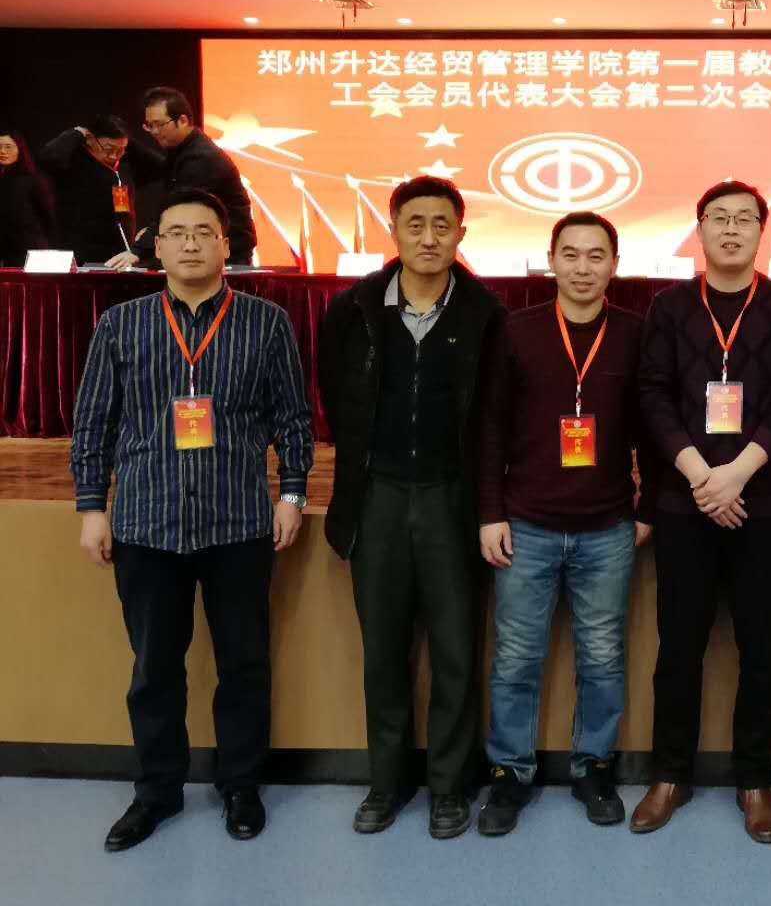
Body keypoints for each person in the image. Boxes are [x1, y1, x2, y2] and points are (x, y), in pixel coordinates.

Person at [69, 187, 313, 852]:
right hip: (146, 523)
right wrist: (91, 506)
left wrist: (292, 494)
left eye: (204, 232)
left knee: (244, 665)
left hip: (239, 523)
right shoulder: (121, 324)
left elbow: (293, 416)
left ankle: (241, 785)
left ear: (225, 244)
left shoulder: (265, 323)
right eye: (176, 233)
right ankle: (157, 792)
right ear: (157, 245)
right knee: (154, 669)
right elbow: (93, 422)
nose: (190, 244)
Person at [317, 176, 505, 840]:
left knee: (456, 650)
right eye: (415, 224)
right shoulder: (355, 307)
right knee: (384, 650)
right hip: (378, 496)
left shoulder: (486, 313)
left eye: (442, 225)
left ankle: (449, 787)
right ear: (393, 229)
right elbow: (334, 393)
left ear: (461, 233)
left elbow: (493, 413)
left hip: (452, 497)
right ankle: (387, 782)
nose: (429, 237)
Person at [630, 180, 771, 844]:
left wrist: (737, 473)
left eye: (744, 219)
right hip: (686, 502)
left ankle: (755, 780)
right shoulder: (670, 307)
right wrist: (700, 475)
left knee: (760, 649)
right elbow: (652, 395)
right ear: (700, 228)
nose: (731, 229)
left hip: (763, 503)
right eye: (719, 218)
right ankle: (669, 775)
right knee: (678, 647)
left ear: (762, 230)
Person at [476, 211, 658, 834]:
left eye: (596, 255)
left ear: (615, 264)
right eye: (571, 255)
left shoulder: (634, 334)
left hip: (607, 526)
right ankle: (509, 774)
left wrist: (647, 509)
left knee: (602, 657)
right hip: (525, 523)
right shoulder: (516, 330)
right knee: (515, 659)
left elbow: (652, 428)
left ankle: (594, 767)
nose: (583, 268)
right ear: (551, 259)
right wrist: (490, 512)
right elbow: (491, 427)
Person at [122, 86, 257, 267]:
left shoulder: (201, 158)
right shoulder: (181, 150)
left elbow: (179, 209)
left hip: (227, 254)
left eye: (159, 124)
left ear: (183, 120)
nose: (154, 131)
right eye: (149, 126)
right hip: (208, 247)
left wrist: (138, 250)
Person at [37, 116, 139, 267]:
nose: (113, 156)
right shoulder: (72, 160)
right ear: (90, 139)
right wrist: (77, 132)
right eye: (108, 149)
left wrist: (124, 139)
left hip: (119, 253)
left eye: (120, 151)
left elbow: (158, 164)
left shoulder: (124, 165)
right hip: (80, 252)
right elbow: (47, 158)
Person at [0, 127, 56, 266]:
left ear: (20, 149)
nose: (3, 151)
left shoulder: (33, 180)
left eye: (8, 147)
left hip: (29, 252)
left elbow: (48, 217)